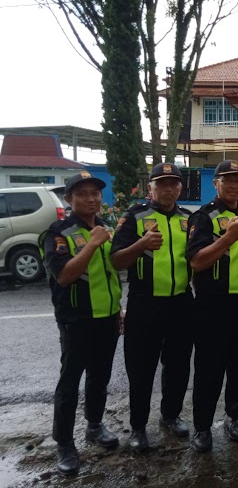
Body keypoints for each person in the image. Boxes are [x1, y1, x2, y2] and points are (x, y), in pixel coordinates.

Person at [40, 171, 122, 475]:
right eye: (83, 194)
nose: (91, 199)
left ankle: (94, 425)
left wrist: (118, 308)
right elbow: (64, 275)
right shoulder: (58, 233)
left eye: (95, 193)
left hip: (108, 316)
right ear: (69, 199)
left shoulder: (104, 227)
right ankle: (64, 443)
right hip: (76, 320)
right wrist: (91, 244)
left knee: (100, 376)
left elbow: (108, 275)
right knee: (70, 382)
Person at [110, 163, 194, 451]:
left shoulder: (187, 219)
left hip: (181, 303)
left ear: (180, 188)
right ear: (151, 188)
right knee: (141, 368)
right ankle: (138, 427)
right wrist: (141, 244)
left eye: (173, 184)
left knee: (179, 365)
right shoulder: (134, 217)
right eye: (161, 184)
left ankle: (170, 415)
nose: (168, 189)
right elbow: (117, 260)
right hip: (145, 304)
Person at [185, 160, 238, 451]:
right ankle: (203, 427)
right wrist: (227, 239)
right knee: (209, 368)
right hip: (212, 304)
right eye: (228, 180)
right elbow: (196, 260)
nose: (234, 185)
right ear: (216, 183)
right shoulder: (204, 217)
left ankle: (235, 417)